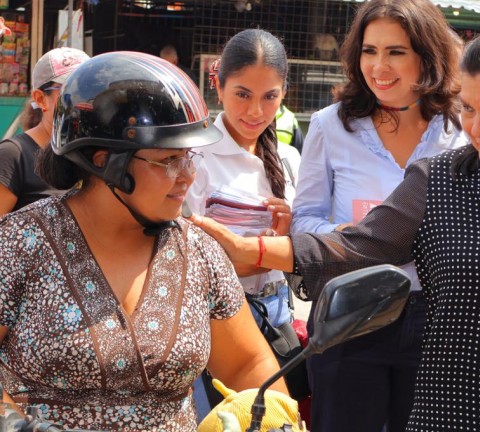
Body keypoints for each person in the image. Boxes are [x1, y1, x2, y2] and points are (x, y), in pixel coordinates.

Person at [187, 23, 480, 431]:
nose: (477, 127)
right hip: (453, 414)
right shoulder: (440, 181)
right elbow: (357, 246)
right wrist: (255, 251)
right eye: (468, 108)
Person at [0, 51, 292, 432]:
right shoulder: (21, 243)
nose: (187, 175)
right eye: (168, 159)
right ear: (105, 161)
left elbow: (247, 364)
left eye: (189, 157)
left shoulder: (198, 252)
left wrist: (272, 416)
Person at [289, 0, 464, 430]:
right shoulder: (332, 125)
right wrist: (354, 235)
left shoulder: (459, 130)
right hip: (351, 313)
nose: (379, 66)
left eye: (396, 52)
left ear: (428, 55)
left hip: (438, 318)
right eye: (370, 51)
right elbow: (303, 220)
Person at [186, 29, 300, 330]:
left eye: (270, 97)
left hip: (278, 313)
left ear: (284, 94)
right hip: (215, 318)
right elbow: (181, 254)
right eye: (242, 94)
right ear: (219, 88)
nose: (255, 111)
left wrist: (287, 236)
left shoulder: (290, 159)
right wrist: (270, 253)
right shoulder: (193, 158)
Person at [0, 47, 89, 215]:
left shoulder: (96, 154)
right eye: (70, 91)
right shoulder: (12, 156)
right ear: (40, 99)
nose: (82, 101)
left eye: (89, 89)